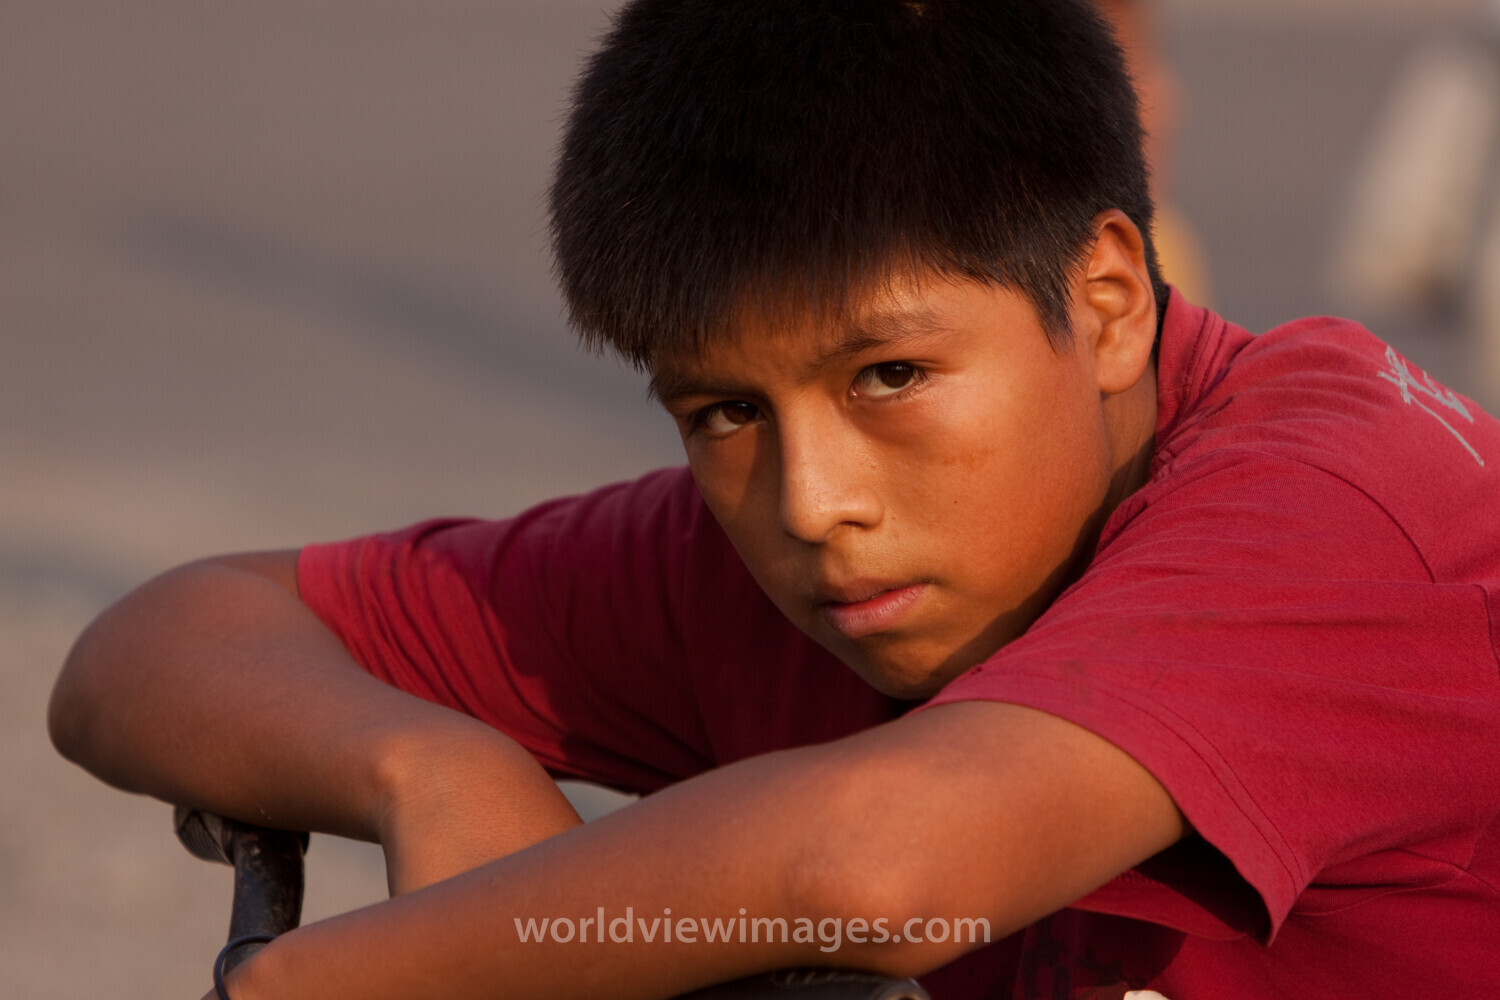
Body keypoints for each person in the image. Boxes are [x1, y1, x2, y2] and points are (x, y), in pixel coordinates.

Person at [47, 1, 1500, 998]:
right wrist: (425, 769)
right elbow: (169, 638)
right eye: (725, 412)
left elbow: (885, 869)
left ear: (1110, 297)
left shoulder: (1341, 504)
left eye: (888, 376)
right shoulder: (763, 565)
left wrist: (340, 975)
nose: (810, 502)